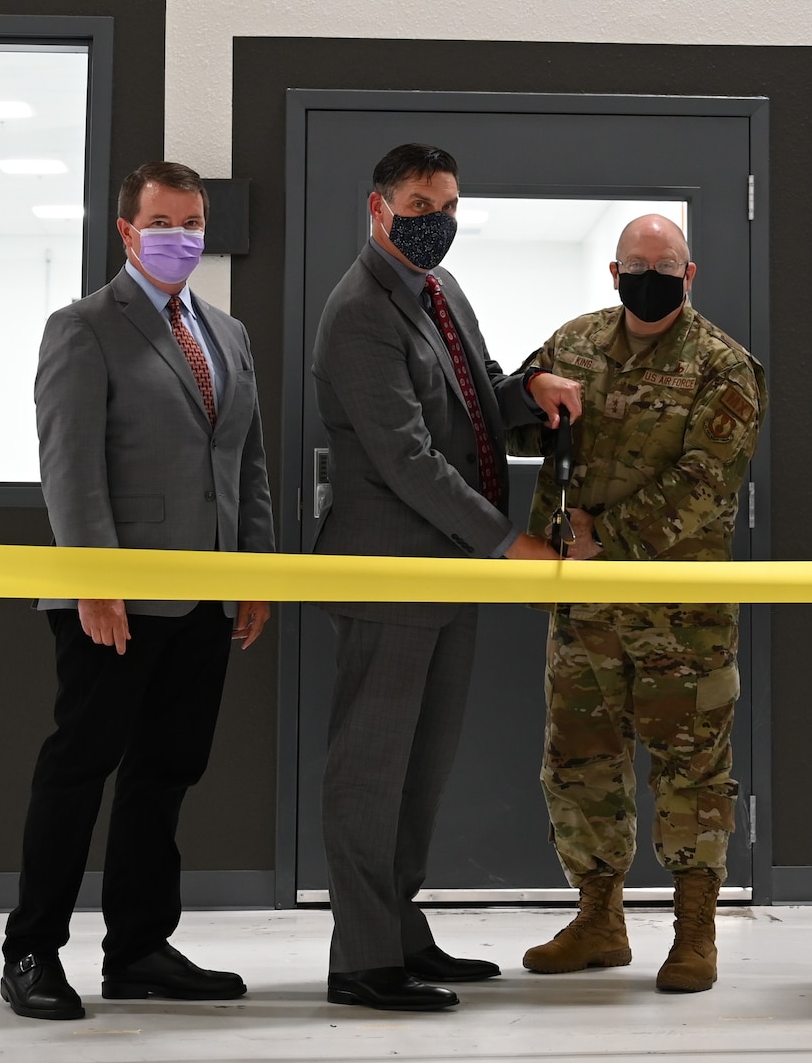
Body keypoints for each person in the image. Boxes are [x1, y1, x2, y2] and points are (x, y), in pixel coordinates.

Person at [309, 143, 583, 1011]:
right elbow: (407, 460)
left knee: (417, 770)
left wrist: (529, 385)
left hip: (444, 571)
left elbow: (471, 400)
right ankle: (361, 960)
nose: (439, 221)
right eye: (421, 204)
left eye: (449, 203)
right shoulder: (358, 311)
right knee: (369, 770)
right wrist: (509, 544)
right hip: (389, 571)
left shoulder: (438, 291)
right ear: (378, 208)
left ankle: (399, 932)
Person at [1, 161, 275, 1020]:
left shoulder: (227, 335)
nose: (181, 237)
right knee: (80, 769)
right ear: (127, 231)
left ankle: (141, 949)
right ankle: (32, 952)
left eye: (192, 221)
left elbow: (248, 465)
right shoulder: (83, 327)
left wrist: (254, 572)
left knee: (166, 773)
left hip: (205, 596)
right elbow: (69, 467)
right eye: (163, 222)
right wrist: (95, 577)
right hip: (111, 600)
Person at [514, 214, 765, 993]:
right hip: (585, 611)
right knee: (579, 763)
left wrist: (601, 536)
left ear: (689, 276)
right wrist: (529, 385)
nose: (649, 276)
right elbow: (524, 408)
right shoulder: (573, 344)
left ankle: (695, 933)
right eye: (635, 265)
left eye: (666, 265)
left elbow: (706, 483)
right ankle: (598, 920)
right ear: (614, 274)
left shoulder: (723, 365)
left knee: (691, 768)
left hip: (679, 615)